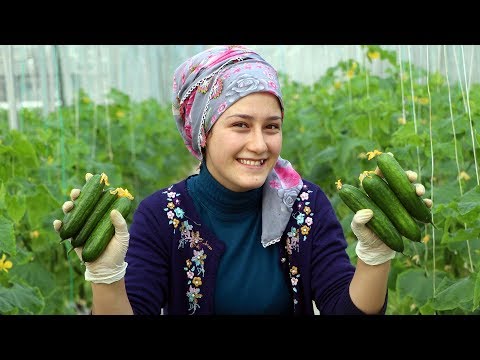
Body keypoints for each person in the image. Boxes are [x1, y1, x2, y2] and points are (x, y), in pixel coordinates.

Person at [53, 45, 432, 315]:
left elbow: (343, 307)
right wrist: (106, 276)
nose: (260, 144)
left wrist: (375, 257)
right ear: (204, 133)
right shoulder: (161, 216)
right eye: (240, 125)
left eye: (272, 127)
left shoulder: (305, 205)